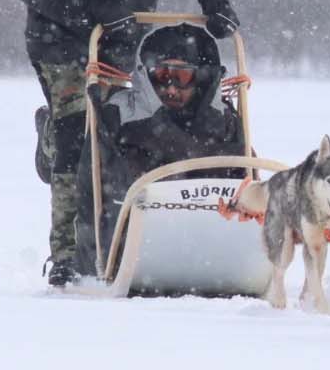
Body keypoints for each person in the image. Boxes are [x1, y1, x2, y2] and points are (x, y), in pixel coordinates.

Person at [16, 0, 241, 287]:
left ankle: (123, 229)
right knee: (76, 130)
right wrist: (91, 18)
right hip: (61, 40)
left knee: (118, 129)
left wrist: (217, 5)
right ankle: (66, 253)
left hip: (122, 43)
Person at [73, 24, 248, 279]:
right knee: (72, 152)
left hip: (207, 247)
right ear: (146, 75)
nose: (171, 88)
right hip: (134, 243)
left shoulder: (224, 121)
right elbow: (89, 192)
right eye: (161, 76)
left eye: (182, 77)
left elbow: (246, 180)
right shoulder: (119, 114)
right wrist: (88, 263)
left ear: (200, 79)